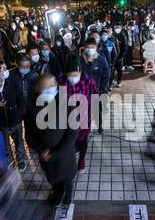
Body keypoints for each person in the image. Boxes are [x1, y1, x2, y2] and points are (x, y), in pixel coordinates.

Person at [33, 73, 78, 206]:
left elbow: (72, 133)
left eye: (52, 85)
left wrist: (54, 154)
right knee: (52, 179)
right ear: (37, 89)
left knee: (67, 179)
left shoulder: (66, 103)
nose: (50, 89)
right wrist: (42, 151)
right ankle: (57, 196)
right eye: (45, 87)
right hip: (45, 156)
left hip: (64, 155)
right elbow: (29, 134)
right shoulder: (32, 105)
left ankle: (68, 198)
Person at [58, 53, 99, 173]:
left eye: (75, 75)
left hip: (84, 116)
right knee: (70, 139)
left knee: (83, 140)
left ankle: (81, 159)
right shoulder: (61, 82)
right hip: (67, 118)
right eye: (70, 75)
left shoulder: (88, 82)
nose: (73, 78)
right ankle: (71, 157)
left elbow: (96, 95)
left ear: (80, 72)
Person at [0, 61, 27, 171]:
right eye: (4, 69)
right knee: (4, 143)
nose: (7, 71)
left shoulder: (11, 80)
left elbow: (20, 97)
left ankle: (21, 159)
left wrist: (19, 113)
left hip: (15, 118)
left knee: (19, 141)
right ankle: (9, 160)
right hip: (0, 122)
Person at [79, 37, 110, 134]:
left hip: (97, 90)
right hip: (83, 91)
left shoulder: (101, 60)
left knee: (97, 109)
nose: (90, 49)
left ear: (96, 47)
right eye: (88, 47)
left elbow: (106, 75)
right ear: (85, 47)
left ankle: (99, 125)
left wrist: (102, 88)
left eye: (92, 47)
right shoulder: (80, 60)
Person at [13, 55, 39, 151]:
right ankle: (20, 152)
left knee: (30, 130)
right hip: (16, 110)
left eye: (28, 67)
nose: (25, 69)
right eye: (23, 67)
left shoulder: (34, 75)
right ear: (17, 65)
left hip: (30, 109)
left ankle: (31, 146)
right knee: (17, 133)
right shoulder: (12, 76)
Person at [112, 23, 128, 87]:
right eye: (116, 27)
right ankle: (112, 80)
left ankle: (119, 81)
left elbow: (125, 47)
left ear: (121, 28)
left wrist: (121, 56)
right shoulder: (113, 35)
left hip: (120, 57)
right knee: (112, 69)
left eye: (118, 27)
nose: (117, 29)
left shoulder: (123, 36)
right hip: (113, 57)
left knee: (119, 70)